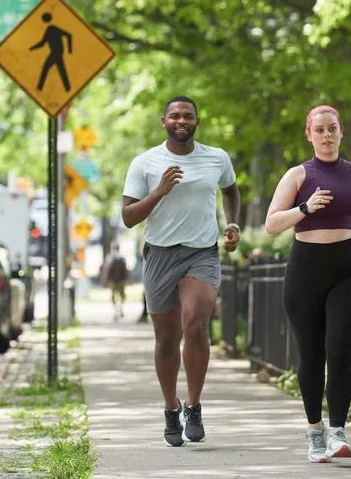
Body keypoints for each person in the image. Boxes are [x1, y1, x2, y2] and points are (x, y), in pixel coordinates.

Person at [121, 95, 241, 447]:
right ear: (164, 122)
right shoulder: (145, 162)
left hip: (201, 253)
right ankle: (170, 407)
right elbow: (128, 218)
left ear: (197, 122)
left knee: (195, 324)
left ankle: (194, 405)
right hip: (159, 255)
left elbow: (231, 190)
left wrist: (232, 224)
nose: (181, 120)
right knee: (167, 339)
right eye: (175, 116)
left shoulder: (216, 157)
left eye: (188, 115)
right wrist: (159, 191)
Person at [264, 105, 351, 463]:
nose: (327, 135)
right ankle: (315, 434)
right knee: (312, 355)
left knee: (340, 350)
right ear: (309, 134)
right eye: (320, 130)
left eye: (333, 129)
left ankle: (338, 433)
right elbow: (271, 224)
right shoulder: (298, 176)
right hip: (306, 271)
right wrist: (306, 209)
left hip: (350, 267)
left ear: (341, 132)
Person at [101, 242, 129, 321]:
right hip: (121, 280)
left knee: (113, 296)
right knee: (122, 296)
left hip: (112, 280)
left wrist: (105, 279)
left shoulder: (110, 257)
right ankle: (120, 309)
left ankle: (115, 311)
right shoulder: (122, 257)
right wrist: (127, 278)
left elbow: (106, 269)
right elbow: (125, 269)